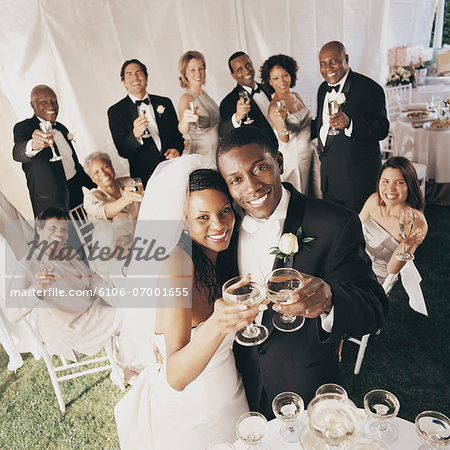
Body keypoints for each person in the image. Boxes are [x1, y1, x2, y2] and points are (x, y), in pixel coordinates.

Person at [216, 126, 388, 416]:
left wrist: (331, 300)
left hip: (307, 386)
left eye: (259, 168)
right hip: (239, 388)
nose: (252, 186)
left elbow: (375, 308)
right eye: (236, 180)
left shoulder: (334, 223)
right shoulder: (223, 231)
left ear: (279, 163)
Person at [114, 155, 258, 449]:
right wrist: (219, 324)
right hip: (194, 410)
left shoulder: (216, 255)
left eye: (225, 211)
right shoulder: (175, 263)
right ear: (182, 219)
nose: (219, 225)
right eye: (202, 217)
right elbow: (176, 375)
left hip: (229, 390)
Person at [5, 207, 122, 361]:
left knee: (133, 311)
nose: (59, 234)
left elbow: (94, 281)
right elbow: (11, 314)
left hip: (94, 312)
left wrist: (121, 301)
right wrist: (36, 289)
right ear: (39, 229)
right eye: (52, 228)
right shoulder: (28, 264)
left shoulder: (68, 252)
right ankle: (132, 366)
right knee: (130, 317)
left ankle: (128, 364)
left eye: (64, 229)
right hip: (69, 328)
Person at [312, 41, 389, 212]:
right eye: (323, 64)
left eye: (333, 61)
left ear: (346, 59)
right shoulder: (322, 89)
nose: (328, 68)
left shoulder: (369, 88)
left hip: (358, 180)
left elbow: (382, 128)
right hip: (329, 179)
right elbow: (321, 124)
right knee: (336, 229)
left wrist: (350, 123)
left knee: (359, 230)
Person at [12, 85, 94, 217]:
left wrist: (99, 186)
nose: (51, 106)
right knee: (57, 238)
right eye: (43, 102)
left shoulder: (61, 128)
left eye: (54, 101)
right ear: (32, 104)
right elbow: (18, 152)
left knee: (85, 236)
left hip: (76, 200)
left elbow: (73, 166)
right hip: (50, 206)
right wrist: (33, 145)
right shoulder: (24, 127)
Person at [107, 59, 184, 188]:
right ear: (123, 81)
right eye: (129, 74)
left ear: (146, 78)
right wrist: (135, 136)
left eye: (139, 73)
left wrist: (177, 149)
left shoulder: (164, 102)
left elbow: (178, 136)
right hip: (146, 176)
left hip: (173, 168)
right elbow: (122, 150)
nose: (135, 77)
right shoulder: (116, 112)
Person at [359, 157, 428, 285]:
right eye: (385, 181)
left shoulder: (416, 223)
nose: (390, 189)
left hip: (375, 278)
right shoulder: (374, 200)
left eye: (399, 182)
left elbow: (392, 269)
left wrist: (407, 245)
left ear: (410, 185)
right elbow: (351, 233)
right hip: (353, 262)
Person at [260, 54, 320, 195]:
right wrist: (282, 121)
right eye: (276, 78)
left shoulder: (296, 96)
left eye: (285, 75)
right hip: (294, 159)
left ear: (291, 75)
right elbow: (284, 139)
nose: (282, 81)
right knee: (299, 194)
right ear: (270, 82)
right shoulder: (274, 107)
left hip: (309, 153)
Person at [83, 152, 142, 277]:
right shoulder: (91, 199)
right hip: (109, 257)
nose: (103, 173)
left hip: (135, 245)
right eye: (96, 172)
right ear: (92, 179)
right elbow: (106, 211)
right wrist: (126, 199)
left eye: (105, 167)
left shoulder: (129, 182)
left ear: (112, 168)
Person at [219, 51, 277, 146]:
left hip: (285, 146)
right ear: (233, 75)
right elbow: (223, 131)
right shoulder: (228, 101)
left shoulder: (268, 88)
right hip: (262, 151)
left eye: (247, 65)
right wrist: (237, 116)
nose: (246, 70)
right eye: (239, 69)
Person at [177, 51, 220, 162]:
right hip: (203, 155)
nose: (198, 73)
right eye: (192, 70)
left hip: (217, 151)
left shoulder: (204, 93)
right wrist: (185, 120)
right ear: (184, 73)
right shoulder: (186, 98)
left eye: (200, 68)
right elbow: (183, 129)